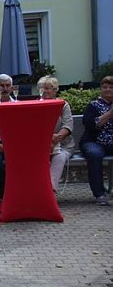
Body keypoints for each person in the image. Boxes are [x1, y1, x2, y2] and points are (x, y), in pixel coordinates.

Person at [80, 75, 113, 205]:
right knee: (95, 154)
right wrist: (109, 115)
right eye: (105, 87)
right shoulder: (93, 105)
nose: (108, 90)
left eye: (111, 87)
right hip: (94, 141)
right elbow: (90, 125)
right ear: (101, 89)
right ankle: (99, 194)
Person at [37, 76, 74, 191]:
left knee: (60, 157)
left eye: (48, 88)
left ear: (55, 90)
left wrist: (54, 139)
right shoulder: (36, 104)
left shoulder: (63, 105)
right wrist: (46, 140)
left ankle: (49, 190)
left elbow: (67, 126)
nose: (45, 91)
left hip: (62, 144)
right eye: (43, 88)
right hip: (40, 145)